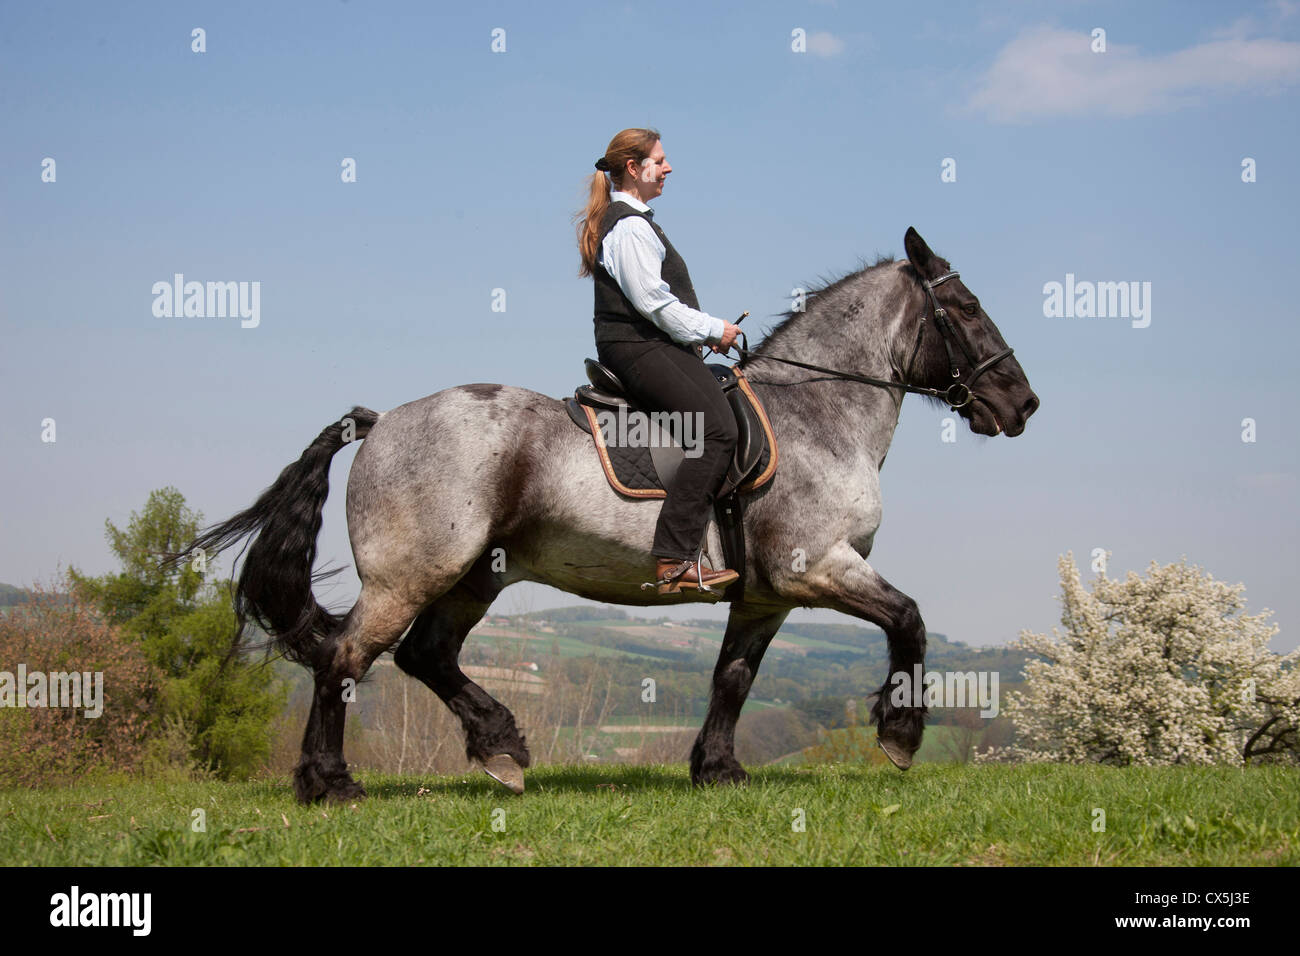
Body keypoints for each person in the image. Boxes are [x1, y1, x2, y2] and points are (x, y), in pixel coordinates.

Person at [575, 128, 744, 594]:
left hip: (653, 344)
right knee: (718, 430)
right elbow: (654, 303)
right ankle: (674, 559)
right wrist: (714, 329)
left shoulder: (637, 221)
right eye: (660, 160)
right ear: (634, 168)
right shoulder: (629, 226)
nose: (668, 168)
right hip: (638, 347)